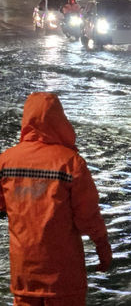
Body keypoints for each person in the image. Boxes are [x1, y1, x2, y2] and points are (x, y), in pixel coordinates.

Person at [0, 92, 111, 305]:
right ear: (60, 119)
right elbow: (87, 216)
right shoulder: (71, 163)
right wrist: (102, 247)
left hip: (24, 274)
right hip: (63, 276)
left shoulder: (6, 161)